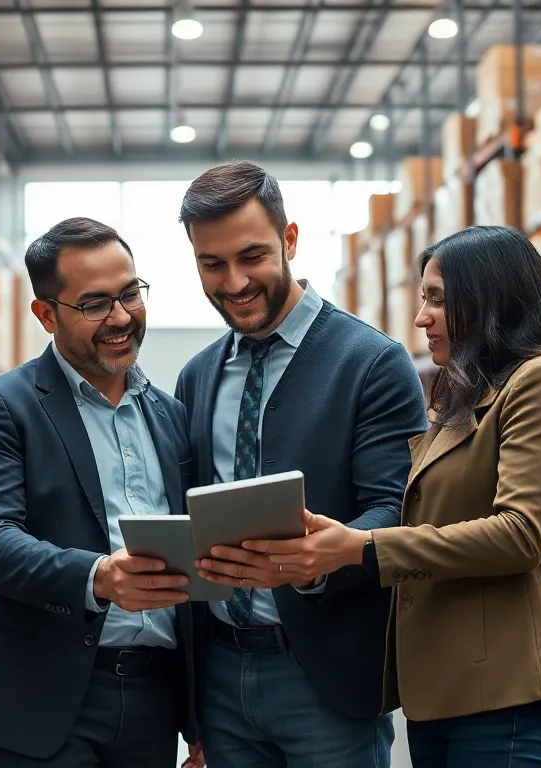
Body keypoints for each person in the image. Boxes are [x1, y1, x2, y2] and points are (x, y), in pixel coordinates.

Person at [243, 225, 541, 767]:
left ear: (488, 298)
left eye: (436, 299)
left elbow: (521, 535)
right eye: (423, 300)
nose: (422, 318)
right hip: (442, 693)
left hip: (504, 696)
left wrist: (362, 547)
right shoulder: (463, 403)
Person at [172, 161, 429, 768]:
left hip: (324, 678)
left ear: (289, 240)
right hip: (222, 680)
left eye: (252, 256)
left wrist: (322, 561)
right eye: (212, 264)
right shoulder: (198, 375)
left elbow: (396, 508)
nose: (233, 281)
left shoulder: (372, 363)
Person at [0, 217, 203, 768]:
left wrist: (199, 718)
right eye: (94, 304)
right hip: (46, 695)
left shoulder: (172, 416)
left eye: (129, 294)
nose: (120, 318)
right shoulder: (3, 406)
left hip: (155, 698)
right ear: (46, 314)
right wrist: (98, 577)